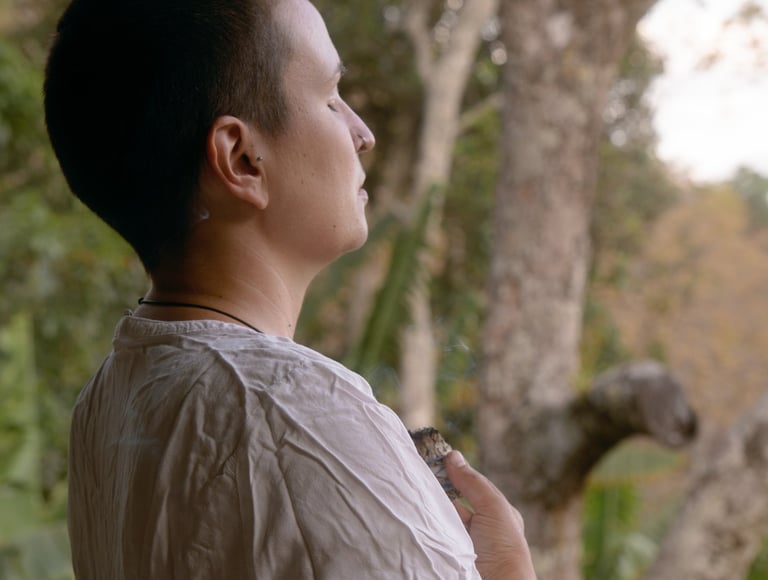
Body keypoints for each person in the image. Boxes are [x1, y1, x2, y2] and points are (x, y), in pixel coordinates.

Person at [44, 0, 537, 578]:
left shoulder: (110, 399)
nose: (363, 133)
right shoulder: (302, 410)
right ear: (242, 160)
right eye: (331, 98)